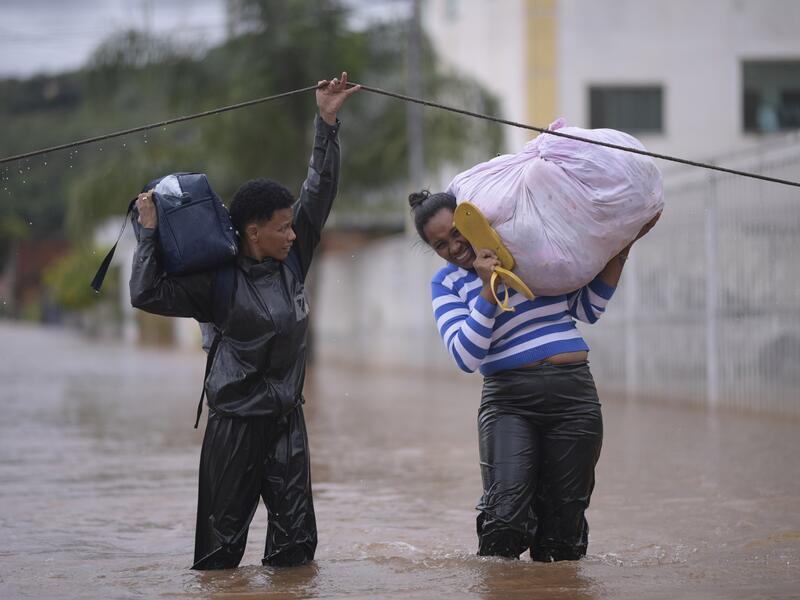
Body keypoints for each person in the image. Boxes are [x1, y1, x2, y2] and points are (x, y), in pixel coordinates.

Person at [129, 73, 359, 569]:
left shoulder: (294, 261)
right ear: (254, 232)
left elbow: (320, 187)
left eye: (293, 225)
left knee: (296, 555)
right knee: (218, 560)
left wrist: (327, 120)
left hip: (287, 424)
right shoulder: (218, 282)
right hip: (233, 429)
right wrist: (148, 235)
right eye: (283, 228)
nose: (293, 234)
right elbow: (145, 292)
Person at [408, 189, 659, 561]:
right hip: (510, 402)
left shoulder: (526, 251)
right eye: (440, 244)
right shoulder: (445, 284)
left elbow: (588, 309)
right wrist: (487, 290)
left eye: (457, 233)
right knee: (505, 520)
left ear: (470, 221)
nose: (454, 247)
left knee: (563, 534)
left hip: (574, 398)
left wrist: (622, 246)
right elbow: (466, 355)